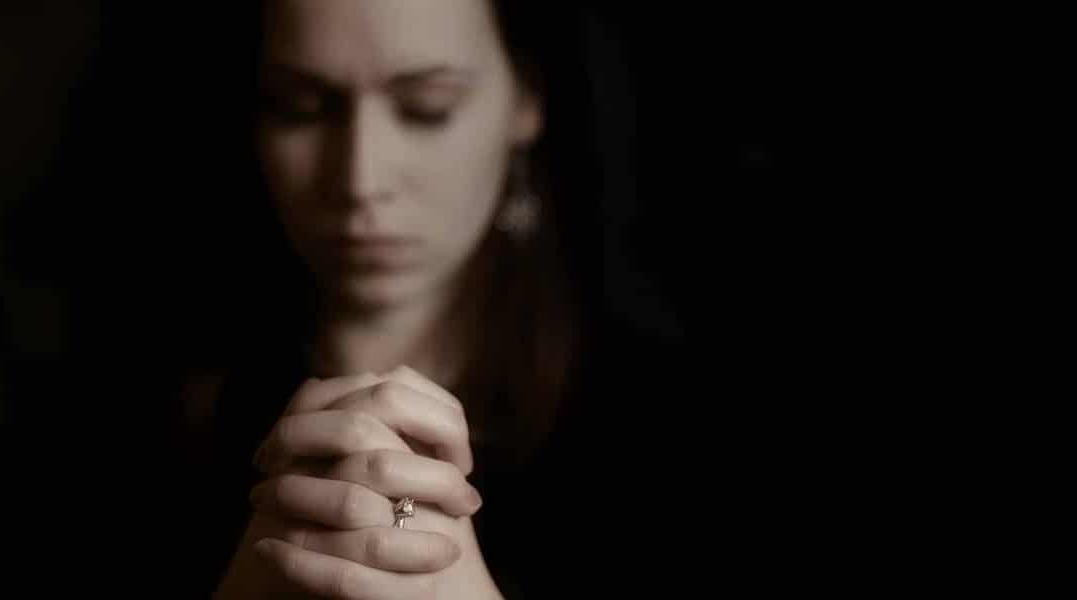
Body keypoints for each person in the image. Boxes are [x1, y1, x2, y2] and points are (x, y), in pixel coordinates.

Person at [106, 1, 687, 598]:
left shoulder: (662, 423)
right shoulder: (116, 405)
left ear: (526, 101)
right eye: (301, 108)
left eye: (426, 109)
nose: (361, 179)